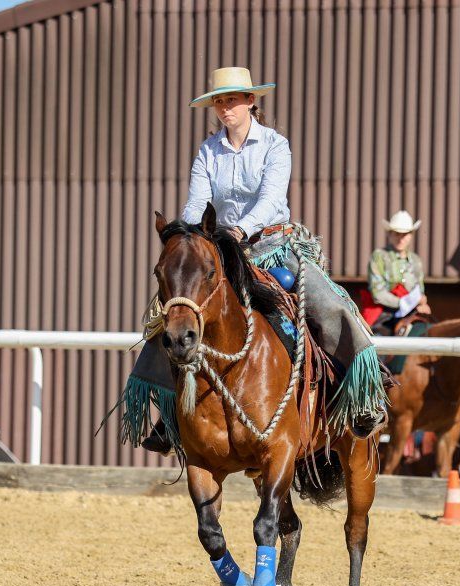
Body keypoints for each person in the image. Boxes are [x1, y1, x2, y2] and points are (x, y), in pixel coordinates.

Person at [127, 66, 389, 454]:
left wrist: (240, 230)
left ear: (251, 101)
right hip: (218, 251)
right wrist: (188, 235)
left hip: (272, 245)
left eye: (231, 99)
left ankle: (363, 393)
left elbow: (270, 200)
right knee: (172, 313)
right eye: (219, 101)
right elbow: (197, 202)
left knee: (327, 303)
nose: (224, 108)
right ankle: (169, 414)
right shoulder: (208, 150)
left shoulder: (274, 145)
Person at [363, 211, 431, 336]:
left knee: (429, 331)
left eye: (405, 234)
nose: (401, 238)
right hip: (384, 314)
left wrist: (422, 301)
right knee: (376, 343)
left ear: (411, 235)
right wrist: (402, 303)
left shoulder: (416, 261)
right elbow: (378, 293)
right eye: (397, 234)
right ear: (390, 234)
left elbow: (419, 289)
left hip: (411, 312)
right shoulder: (379, 256)